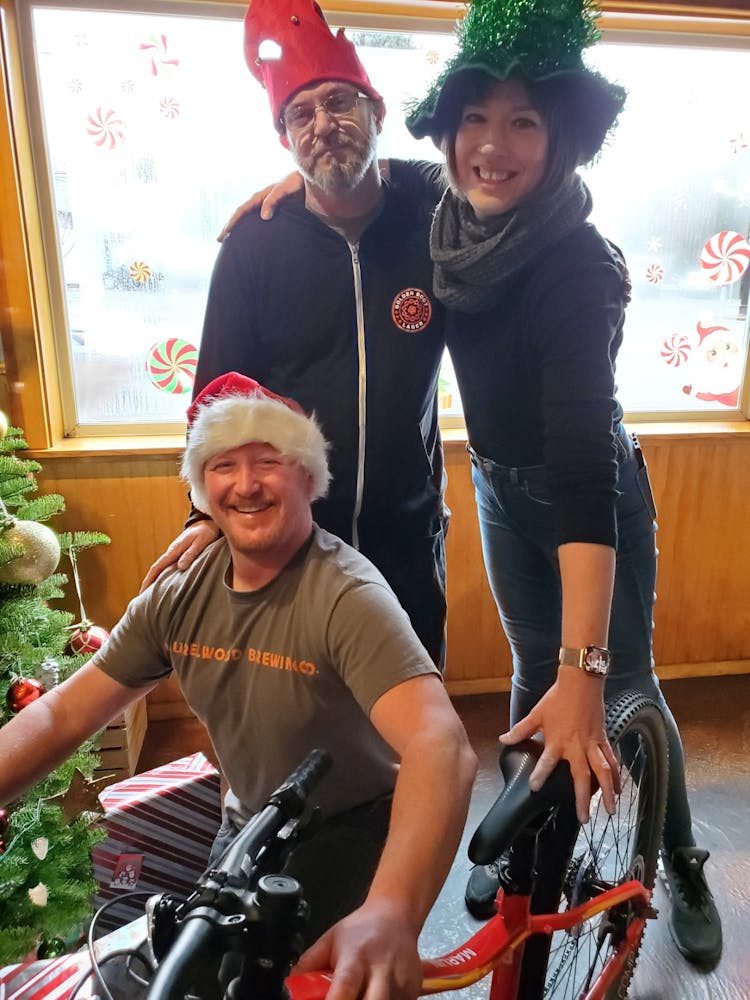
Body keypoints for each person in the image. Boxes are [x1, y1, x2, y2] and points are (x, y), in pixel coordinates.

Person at [400, 0, 722, 968]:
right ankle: (524, 829)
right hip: (497, 485)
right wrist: (280, 195)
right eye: (477, 119)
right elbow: (366, 184)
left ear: (562, 140)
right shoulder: (443, 216)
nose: (493, 146)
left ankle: (681, 857)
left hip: (591, 496)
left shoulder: (578, 266)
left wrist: (585, 675)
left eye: (525, 122)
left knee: (621, 684)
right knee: (530, 670)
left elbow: (583, 464)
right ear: (450, 127)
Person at [0, 372, 476, 1000]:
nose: (246, 484)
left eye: (268, 462)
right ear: (203, 488)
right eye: (223, 464)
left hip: (356, 822)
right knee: (194, 974)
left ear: (308, 477)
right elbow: (62, 715)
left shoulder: (348, 596)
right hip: (249, 818)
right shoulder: (177, 595)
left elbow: (442, 746)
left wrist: (392, 909)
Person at [141, 0, 449, 669]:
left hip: (409, 532)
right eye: (300, 115)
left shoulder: (433, 218)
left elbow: (470, 181)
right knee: (308, 727)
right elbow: (214, 402)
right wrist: (204, 514)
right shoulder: (254, 244)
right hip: (295, 540)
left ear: (377, 114)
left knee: (412, 724)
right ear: (283, 138)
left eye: (340, 102)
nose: (323, 124)